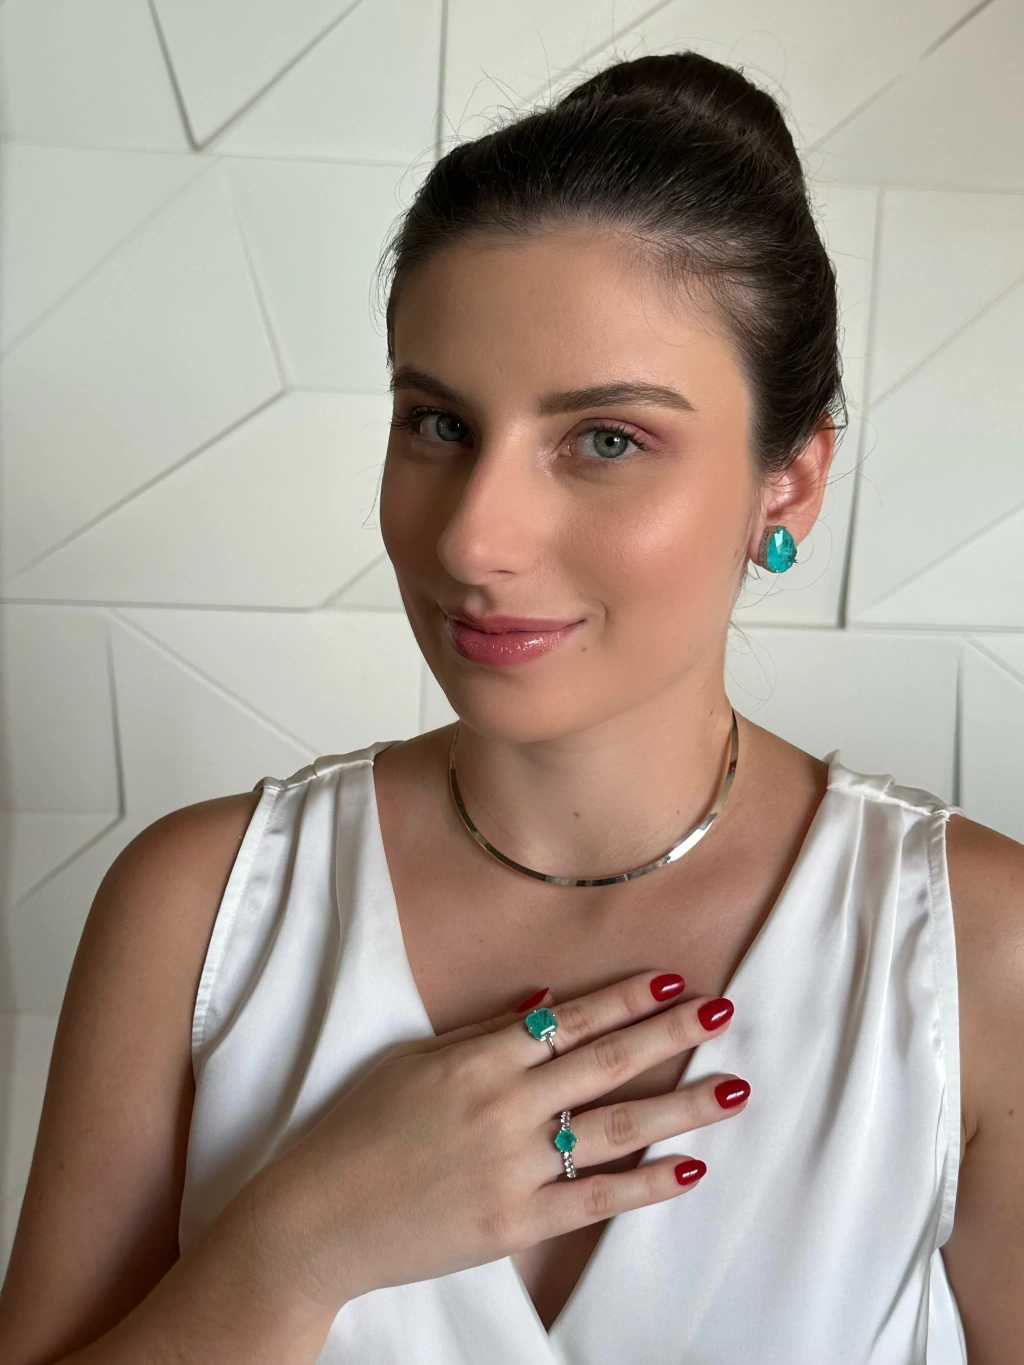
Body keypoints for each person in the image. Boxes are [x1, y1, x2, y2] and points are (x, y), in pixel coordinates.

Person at [1, 49, 1021, 1365]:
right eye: (438, 424)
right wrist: (302, 1242)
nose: (474, 539)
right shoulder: (195, 912)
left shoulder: (976, 953)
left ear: (792, 482)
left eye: (606, 439)